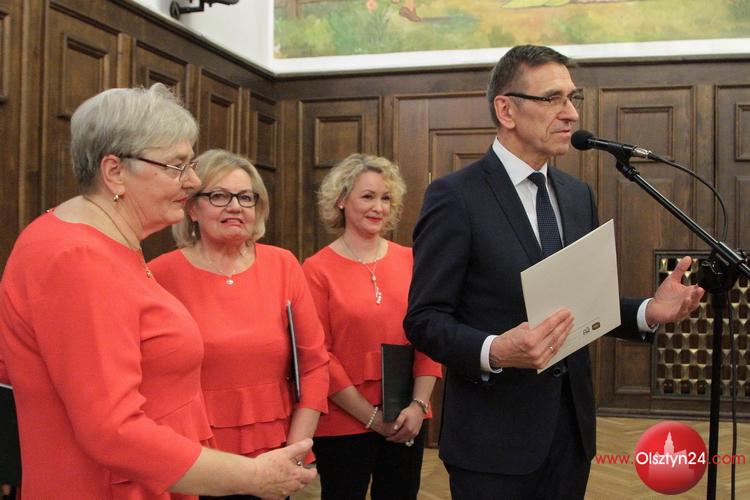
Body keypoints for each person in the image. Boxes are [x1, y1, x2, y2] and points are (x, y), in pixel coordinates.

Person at [403, 45, 705, 499]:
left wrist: (648, 312)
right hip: (493, 443)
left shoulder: (576, 194)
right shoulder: (456, 197)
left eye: (571, 98)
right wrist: (495, 350)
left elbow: (580, 304)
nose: (571, 113)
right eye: (552, 99)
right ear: (506, 109)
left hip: (570, 435)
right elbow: (424, 319)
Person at [0, 84, 315, 499]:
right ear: (115, 172)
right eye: (177, 166)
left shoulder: (110, 244)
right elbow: (113, 430)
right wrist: (253, 476)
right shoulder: (77, 258)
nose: (193, 180)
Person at [148, 149, 330, 500]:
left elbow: (314, 365)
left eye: (246, 197)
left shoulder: (283, 265)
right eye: (219, 196)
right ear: (192, 207)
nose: (235, 207)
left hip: (274, 451)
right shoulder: (159, 274)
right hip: (194, 458)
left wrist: (295, 450)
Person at [302, 153, 442, 499]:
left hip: (407, 415)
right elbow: (320, 355)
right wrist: (372, 419)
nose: (378, 207)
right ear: (341, 199)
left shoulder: (411, 260)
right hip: (342, 419)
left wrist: (418, 406)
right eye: (368, 196)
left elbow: (429, 336)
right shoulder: (316, 269)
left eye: (386, 198)